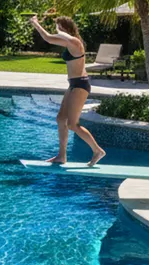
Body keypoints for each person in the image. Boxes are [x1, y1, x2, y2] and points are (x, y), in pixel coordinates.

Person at [29, 14, 106, 167]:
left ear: (64, 28)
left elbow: (49, 37)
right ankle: (61, 156)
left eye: (58, 26)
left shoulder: (75, 42)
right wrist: (42, 25)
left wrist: (36, 24)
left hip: (81, 85)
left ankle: (97, 151)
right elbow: (50, 38)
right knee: (60, 119)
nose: (57, 29)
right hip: (73, 85)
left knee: (72, 124)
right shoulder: (69, 42)